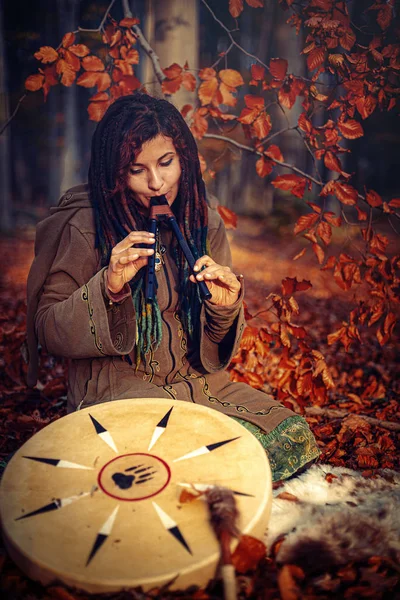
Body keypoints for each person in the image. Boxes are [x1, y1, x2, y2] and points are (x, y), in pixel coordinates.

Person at [26, 92, 320, 481]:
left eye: (166, 163)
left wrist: (224, 307)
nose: (156, 181)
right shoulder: (85, 225)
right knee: (171, 460)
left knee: (292, 438)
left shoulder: (203, 219)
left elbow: (216, 344)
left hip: (202, 386)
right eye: (136, 170)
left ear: (183, 156)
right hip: (121, 392)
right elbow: (47, 328)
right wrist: (107, 287)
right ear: (114, 173)